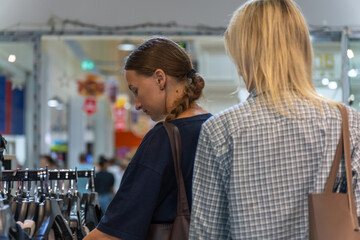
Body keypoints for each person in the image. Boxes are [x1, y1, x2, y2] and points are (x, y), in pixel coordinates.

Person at [189, 0, 360, 239]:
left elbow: (205, 234)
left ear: (247, 55)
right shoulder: (347, 122)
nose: (238, 68)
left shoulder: (220, 130)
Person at [84, 37, 211, 240]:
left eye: (136, 90)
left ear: (160, 78)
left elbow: (113, 233)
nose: (137, 104)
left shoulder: (162, 139)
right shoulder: (215, 128)